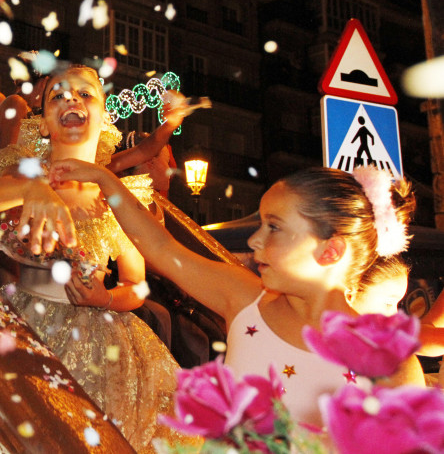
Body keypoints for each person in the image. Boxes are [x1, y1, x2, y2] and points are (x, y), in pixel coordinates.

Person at [46, 160, 425, 428]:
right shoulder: (245, 300)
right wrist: (105, 180)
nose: (254, 240)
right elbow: (164, 250)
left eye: (274, 228)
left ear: (330, 251)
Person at [0, 64, 194, 453]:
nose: (71, 98)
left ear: (104, 115)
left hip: (99, 341)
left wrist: (104, 298)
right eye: (58, 95)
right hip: (22, 322)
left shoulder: (114, 198)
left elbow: (136, 285)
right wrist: (35, 189)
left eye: (84, 93)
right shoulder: (21, 173)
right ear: (43, 124)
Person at [0, 51, 47, 153]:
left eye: (22, 84)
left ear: (43, 83)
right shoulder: (16, 102)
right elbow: (3, 160)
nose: (18, 91)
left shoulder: (48, 118)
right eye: (17, 84)